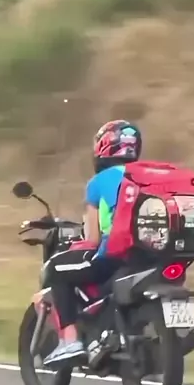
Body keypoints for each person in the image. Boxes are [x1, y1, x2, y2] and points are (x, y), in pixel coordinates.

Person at [43, 119, 143, 367]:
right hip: (147, 254)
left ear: (103, 146)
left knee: (56, 269)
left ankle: (70, 341)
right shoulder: (147, 176)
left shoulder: (98, 182)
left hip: (115, 254)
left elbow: (93, 239)